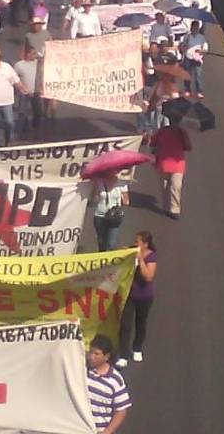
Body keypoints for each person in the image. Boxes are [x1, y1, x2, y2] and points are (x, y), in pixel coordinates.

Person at [115, 231, 157, 369]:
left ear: (145, 244)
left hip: (144, 297)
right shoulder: (132, 249)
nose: (135, 243)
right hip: (130, 295)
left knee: (141, 323)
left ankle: (137, 348)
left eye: (137, 241)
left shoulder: (151, 257)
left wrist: (140, 260)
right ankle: (123, 355)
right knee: (125, 325)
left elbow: (148, 277)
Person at [148, 117, 191, 219]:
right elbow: (153, 142)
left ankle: (174, 209)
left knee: (175, 186)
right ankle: (167, 207)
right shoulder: (162, 131)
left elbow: (188, 146)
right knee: (165, 186)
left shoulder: (182, 133)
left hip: (177, 163)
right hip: (164, 161)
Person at [86, 334, 130, 433]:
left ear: (106, 356)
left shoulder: (115, 380)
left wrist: (107, 432)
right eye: (90, 352)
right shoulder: (84, 372)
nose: (91, 357)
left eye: (96, 354)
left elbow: (121, 411)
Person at [91, 175, 129, 252]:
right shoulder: (99, 182)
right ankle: (102, 261)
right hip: (100, 216)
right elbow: (94, 199)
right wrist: (95, 191)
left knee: (111, 244)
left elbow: (126, 201)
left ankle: (108, 261)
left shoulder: (122, 184)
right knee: (102, 243)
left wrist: (124, 199)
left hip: (114, 217)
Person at [13, 45, 42, 135]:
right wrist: (18, 89)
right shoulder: (19, 65)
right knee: (23, 111)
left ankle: (35, 127)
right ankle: (24, 129)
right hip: (24, 92)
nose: (35, 55)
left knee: (37, 111)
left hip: (36, 91)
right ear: (27, 54)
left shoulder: (37, 63)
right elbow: (14, 78)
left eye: (35, 53)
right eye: (33, 54)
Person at [181, 21, 208, 98]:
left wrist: (201, 51)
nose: (195, 29)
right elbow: (182, 47)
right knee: (187, 74)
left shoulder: (202, 37)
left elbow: (205, 48)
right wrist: (185, 45)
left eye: (197, 27)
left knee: (198, 75)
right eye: (194, 27)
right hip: (188, 57)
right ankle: (187, 90)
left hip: (197, 58)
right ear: (191, 27)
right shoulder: (187, 37)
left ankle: (199, 91)